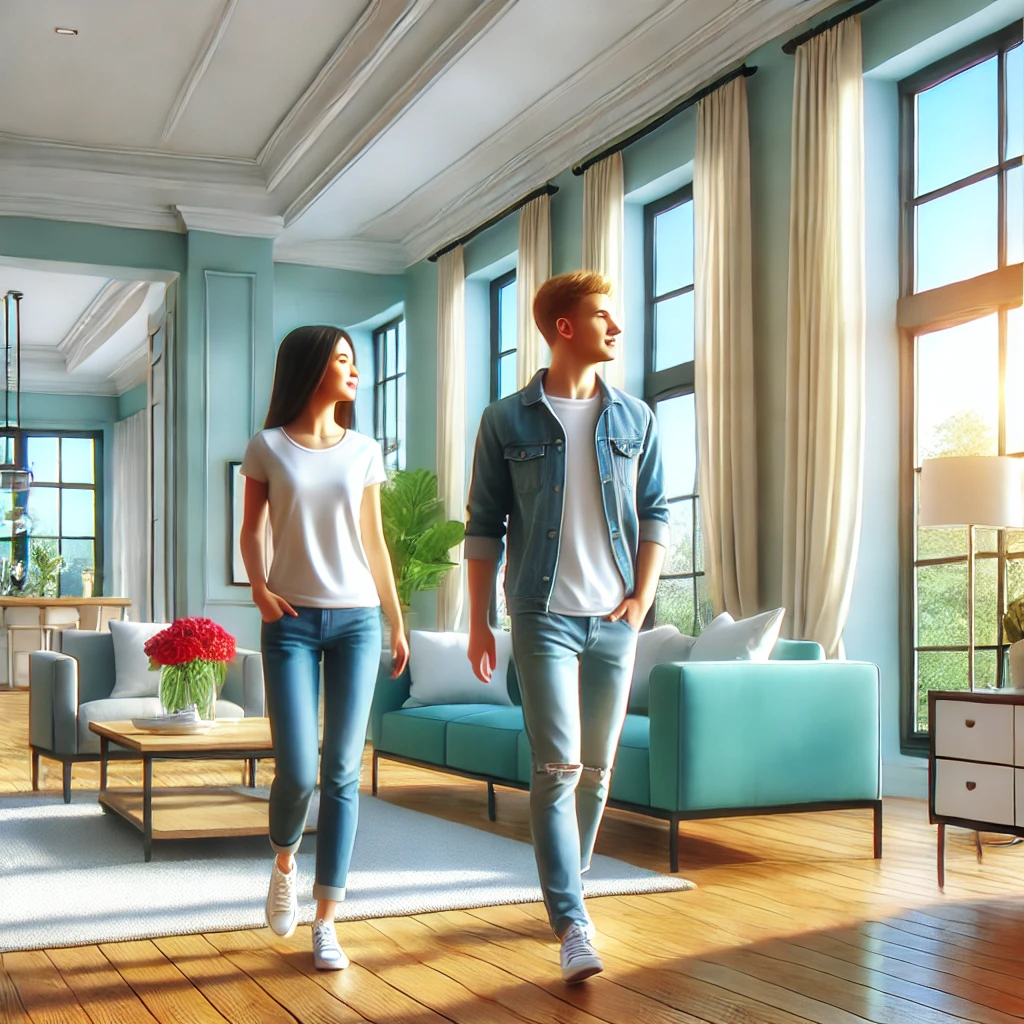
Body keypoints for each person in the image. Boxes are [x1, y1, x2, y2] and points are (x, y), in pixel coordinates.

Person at [464, 271, 669, 984]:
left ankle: (567, 883)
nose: (618, 328)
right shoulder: (505, 420)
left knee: (598, 771)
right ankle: (572, 921)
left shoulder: (636, 418)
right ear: (563, 328)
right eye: (604, 316)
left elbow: (658, 515)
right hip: (541, 615)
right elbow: (484, 528)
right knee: (556, 768)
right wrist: (479, 621)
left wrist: (642, 599)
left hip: (615, 619)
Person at [239, 325, 409, 971]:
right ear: (312, 368)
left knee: (342, 771)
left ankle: (327, 918)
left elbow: (374, 542)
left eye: (355, 360)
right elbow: (251, 531)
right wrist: (258, 589)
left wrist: (396, 621)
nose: (353, 370)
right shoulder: (268, 447)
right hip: (288, 621)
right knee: (299, 772)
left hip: (358, 621)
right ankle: (283, 861)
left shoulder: (365, 450)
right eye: (342, 359)